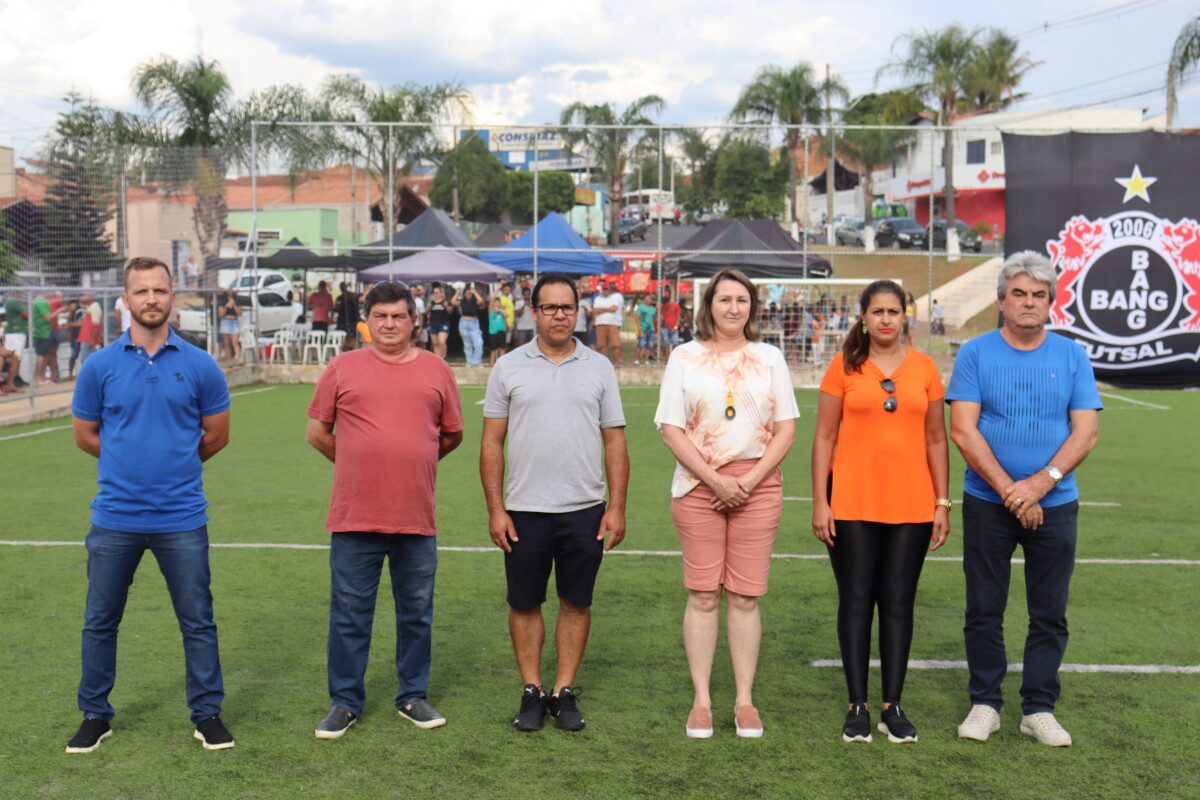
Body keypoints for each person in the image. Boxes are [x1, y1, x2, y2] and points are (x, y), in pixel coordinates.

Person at [67, 256, 234, 754]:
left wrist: (175, 464)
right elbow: (85, 436)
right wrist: (127, 464)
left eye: (159, 290)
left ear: (172, 296)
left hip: (181, 518)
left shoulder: (200, 364)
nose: (151, 299)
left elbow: (216, 435)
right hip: (114, 518)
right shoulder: (99, 366)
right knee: (100, 621)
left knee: (197, 620)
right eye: (141, 291)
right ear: (126, 299)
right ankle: (95, 714)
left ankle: (207, 713)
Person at [947, 251, 1101, 747]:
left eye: (1038, 294)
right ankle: (985, 703)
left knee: (1049, 612)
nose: (1028, 302)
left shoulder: (1072, 356)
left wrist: (1039, 485)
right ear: (1001, 301)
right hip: (987, 503)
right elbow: (962, 430)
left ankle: (1038, 708)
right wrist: (1011, 491)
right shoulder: (975, 353)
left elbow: (1086, 432)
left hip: (1054, 504)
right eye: (1019, 293)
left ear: (1050, 302)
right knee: (984, 609)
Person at [306, 282, 464, 740]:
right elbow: (318, 433)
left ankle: (412, 695)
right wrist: (360, 465)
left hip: (415, 516)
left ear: (414, 320)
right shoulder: (342, 367)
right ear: (367, 321)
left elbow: (451, 434)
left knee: (416, 613)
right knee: (350, 615)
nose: (389, 324)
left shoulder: (437, 369)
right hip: (355, 515)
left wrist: (412, 461)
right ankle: (344, 702)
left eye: (398, 316)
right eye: (380, 316)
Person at [654, 269, 798, 739]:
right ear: (709, 306)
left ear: (751, 306)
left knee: (743, 596)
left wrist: (748, 482)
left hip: (758, 487)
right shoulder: (684, 357)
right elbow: (671, 429)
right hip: (699, 485)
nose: (733, 308)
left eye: (742, 300)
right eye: (724, 299)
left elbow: (786, 430)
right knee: (702, 594)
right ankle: (701, 700)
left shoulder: (770, 357)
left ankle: (744, 699)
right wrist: (716, 481)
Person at [481, 274, 628, 733]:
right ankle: (532, 690)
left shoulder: (599, 367)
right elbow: (491, 443)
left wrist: (617, 506)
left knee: (575, 603)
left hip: (584, 508)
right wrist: (496, 509)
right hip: (524, 510)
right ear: (534, 312)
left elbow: (615, 441)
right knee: (525, 604)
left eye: (567, 307)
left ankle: (563, 691)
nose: (559, 315)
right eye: (550, 307)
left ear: (578, 311)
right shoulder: (508, 367)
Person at [810, 279, 950, 745]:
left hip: (912, 503)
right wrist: (820, 501)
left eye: (893, 311)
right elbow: (824, 437)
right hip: (851, 501)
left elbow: (936, 439)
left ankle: (892, 706)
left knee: (897, 601)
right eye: (878, 311)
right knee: (855, 600)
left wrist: (942, 502)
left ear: (905, 316)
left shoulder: (925, 367)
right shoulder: (843, 366)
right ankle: (858, 705)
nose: (886, 319)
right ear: (864, 318)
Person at [592, 282, 624, 365]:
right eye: (604, 289)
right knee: (602, 344)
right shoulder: (597, 299)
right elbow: (595, 310)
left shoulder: (614, 298)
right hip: (600, 323)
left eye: (607, 289)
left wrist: (602, 309)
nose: (605, 291)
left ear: (609, 290)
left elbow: (614, 308)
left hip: (612, 323)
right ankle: (605, 363)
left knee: (615, 343)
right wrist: (607, 309)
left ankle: (617, 360)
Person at [454, 283, 485, 366]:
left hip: (474, 323)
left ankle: (477, 361)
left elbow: (481, 300)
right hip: (464, 323)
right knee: (467, 344)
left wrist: (474, 291)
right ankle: (469, 362)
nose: (468, 295)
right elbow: (453, 302)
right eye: (467, 293)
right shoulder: (462, 301)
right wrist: (457, 292)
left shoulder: (475, 301)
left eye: (469, 293)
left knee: (478, 343)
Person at [425, 285, 452, 359]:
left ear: (441, 293)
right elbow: (425, 312)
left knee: (442, 341)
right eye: (434, 293)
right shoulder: (431, 303)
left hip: (443, 323)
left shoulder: (445, 302)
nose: (435, 294)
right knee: (435, 343)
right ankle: (438, 359)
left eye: (437, 293)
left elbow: (450, 312)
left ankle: (443, 357)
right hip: (433, 323)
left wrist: (446, 306)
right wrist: (428, 307)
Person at [217, 290, 242, 363]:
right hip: (225, 321)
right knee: (227, 343)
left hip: (234, 321)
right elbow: (220, 315)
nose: (230, 297)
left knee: (235, 342)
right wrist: (226, 306)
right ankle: (229, 360)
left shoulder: (237, 302)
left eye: (231, 295)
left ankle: (239, 359)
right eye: (228, 295)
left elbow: (239, 313)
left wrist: (234, 306)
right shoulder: (223, 303)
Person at [634, 294, 656, 365]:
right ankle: (637, 359)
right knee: (641, 343)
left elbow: (654, 318)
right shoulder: (641, 307)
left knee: (650, 345)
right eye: (646, 299)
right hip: (643, 328)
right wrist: (639, 327)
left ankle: (646, 360)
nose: (648, 300)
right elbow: (637, 317)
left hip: (651, 328)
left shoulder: (653, 309)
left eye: (649, 299)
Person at [488, 295, 507, 365]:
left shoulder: (502, 310)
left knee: (502, 348)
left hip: (501, 331)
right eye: (495, 302)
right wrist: (497, 290)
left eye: (498, 302)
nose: (496, 304)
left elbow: (507, 316)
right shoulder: (491, 311)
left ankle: (502, 364)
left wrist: (500, 310)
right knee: (493, 350)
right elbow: (491, 300)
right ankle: (491, 364)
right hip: (493, 332)